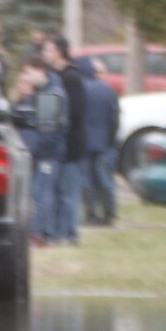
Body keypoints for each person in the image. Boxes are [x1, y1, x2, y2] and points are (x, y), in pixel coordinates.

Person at [15, 55, 68, 245]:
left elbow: (49, 132)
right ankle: (44, 233)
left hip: (45, 156)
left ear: (40, 71)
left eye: (28, 73)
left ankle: (40, 234)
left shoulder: (49, 96)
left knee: (42, 195)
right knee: (41, 195)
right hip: (42, 154)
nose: (26, 77)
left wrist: (32, 150)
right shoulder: (44, 92)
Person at [45, 36, 89, 245]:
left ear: (59, 52)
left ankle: (69, 234)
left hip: (71, 145)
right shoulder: (52, 77)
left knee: (68, 193)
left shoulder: (71, 77)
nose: (45, 54)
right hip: (57, 146)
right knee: (55, 192)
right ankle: (55, 232)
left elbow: (77, 111)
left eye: (48, 50)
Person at [76, 56, 120, 226]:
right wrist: (110, 138)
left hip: (85, 141)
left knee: (86, 179)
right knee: (104, 178)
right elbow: (114, 118)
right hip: (104, 141)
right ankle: (109, 212)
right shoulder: (108, 90)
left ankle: (91, 213)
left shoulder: (80, 89)